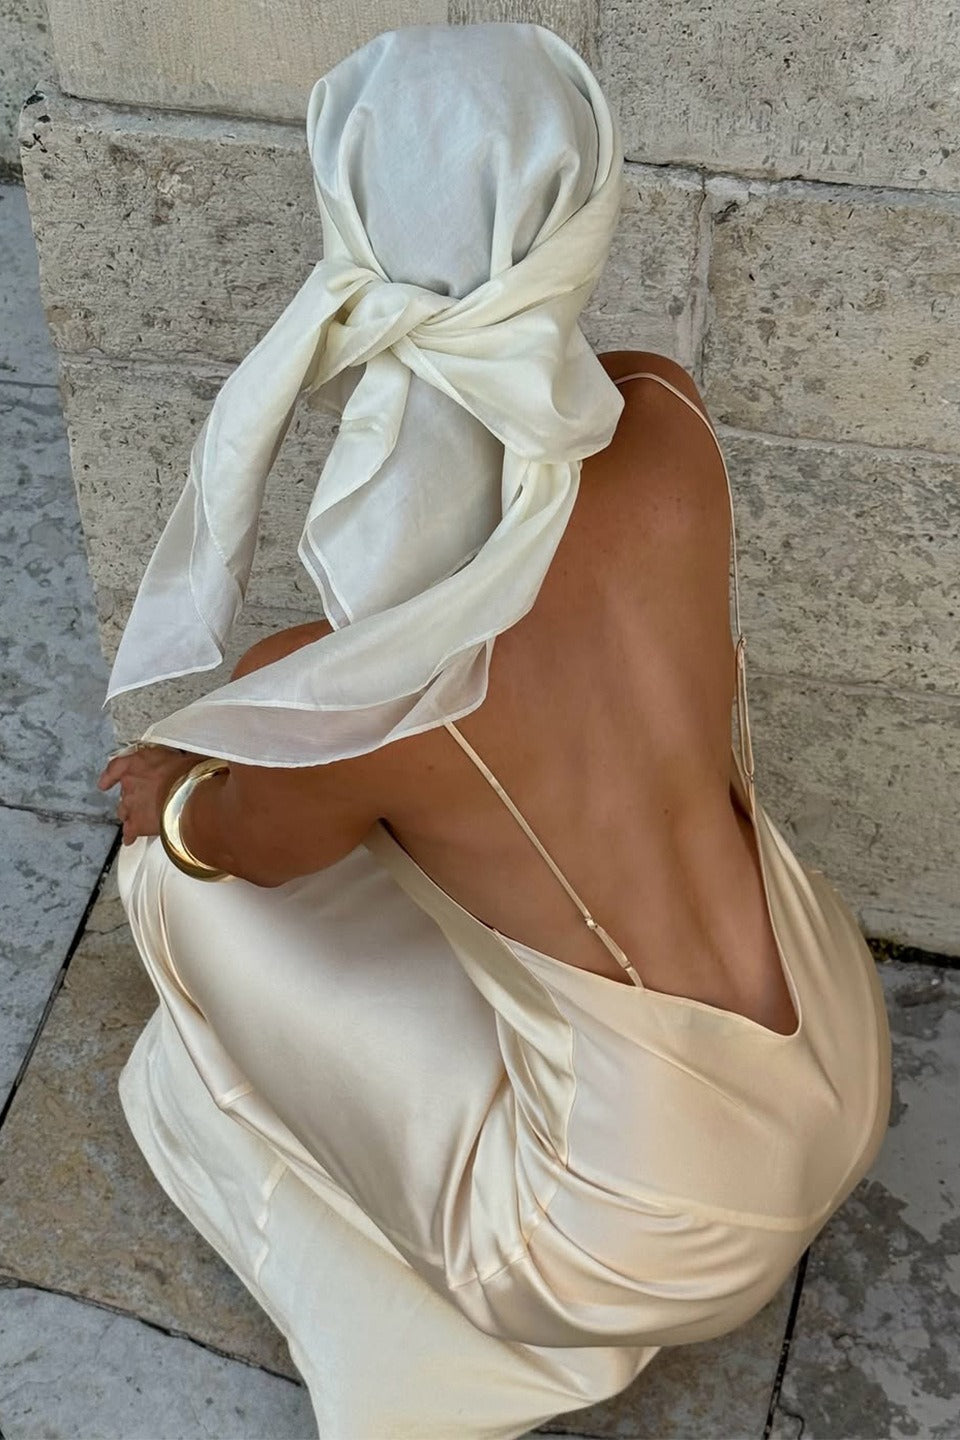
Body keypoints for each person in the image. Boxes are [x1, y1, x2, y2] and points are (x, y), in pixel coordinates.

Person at [96, 22, 892, 1439]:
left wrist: (177, 791)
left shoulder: (364, 683)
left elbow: (236, 845)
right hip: (836, 1044)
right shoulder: (664, 416)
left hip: (634, 1237)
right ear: (583, 216)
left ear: (349, 246)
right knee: (430, 831)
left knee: (172, 884)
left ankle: (437, 1329)